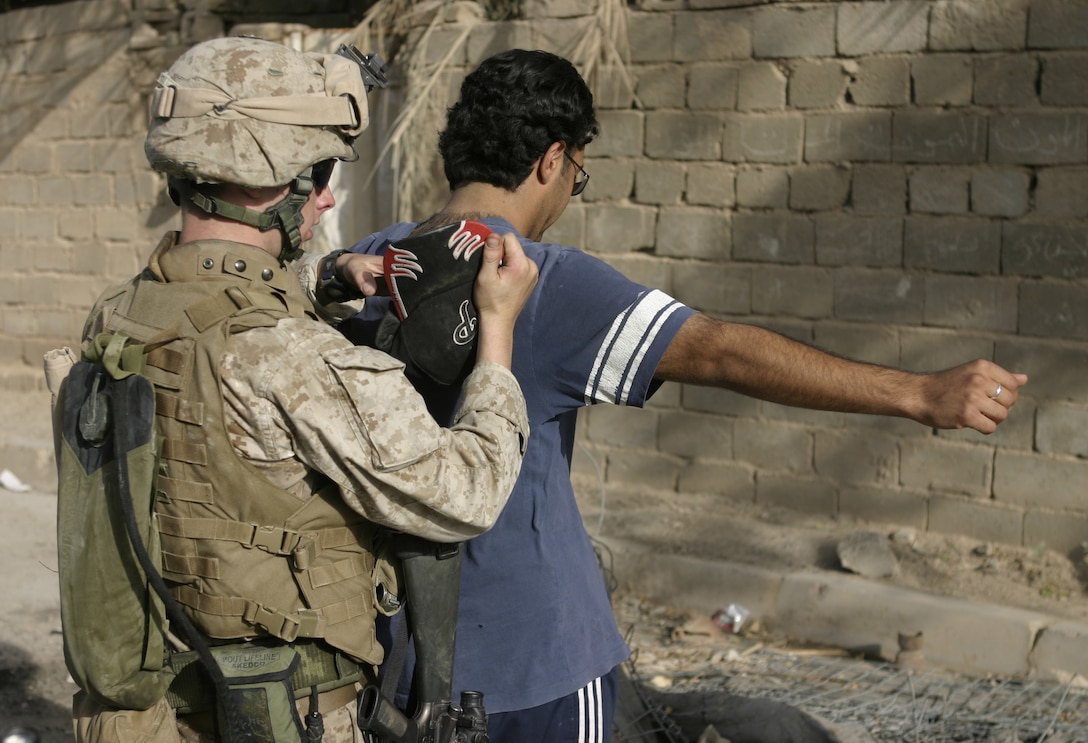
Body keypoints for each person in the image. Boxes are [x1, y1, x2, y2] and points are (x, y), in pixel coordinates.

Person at [336, 49, 1028, 743]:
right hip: (538, 669)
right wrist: (919, 393)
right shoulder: (539, 276)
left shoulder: (364, 267)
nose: (570, 193)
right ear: (551, 160)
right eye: (578, 176)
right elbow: (724, 350)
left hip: (398, 667)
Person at [59, 37, 537, 743]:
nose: (327, 196)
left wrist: (333, 274)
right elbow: (465, 492)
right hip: (284, 713)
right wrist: (497, 334)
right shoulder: (294, 357)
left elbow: (217, 304)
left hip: (163, 700)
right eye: (314, 176)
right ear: (265, 184)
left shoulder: (123, 310)